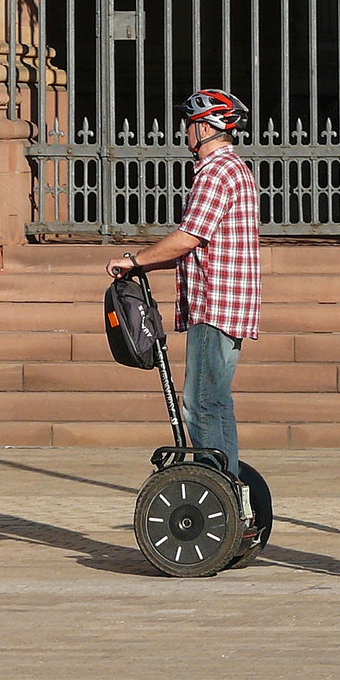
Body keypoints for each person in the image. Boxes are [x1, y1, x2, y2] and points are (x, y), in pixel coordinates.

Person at [107, 89, 261, 476]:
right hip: (226, 303)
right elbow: (195, 246)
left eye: (189, 125)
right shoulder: (234, 169)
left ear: (206, 127)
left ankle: (217, 486)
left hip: (215, 304)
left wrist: (134, 258)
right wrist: (140, 267)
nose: (185, 133)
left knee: (201, 402)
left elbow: (188, 237)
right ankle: (231, 488)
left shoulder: (216, 173)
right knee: (216, 402)